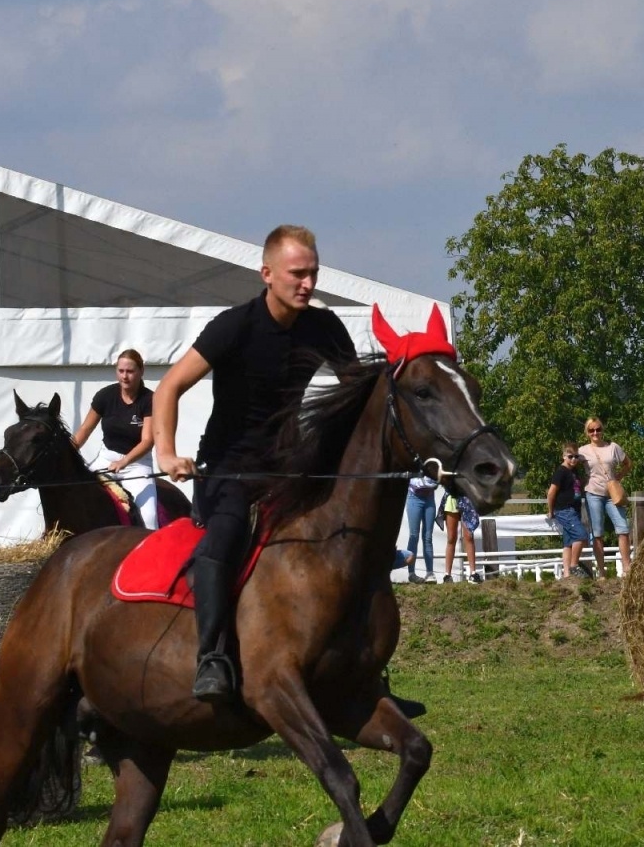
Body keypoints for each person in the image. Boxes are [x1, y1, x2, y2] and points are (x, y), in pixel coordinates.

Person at [154, 225, 356, 701]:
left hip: (291, 470)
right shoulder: (234, 326)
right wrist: (165, 452)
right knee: (224, 535)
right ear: (267, 274)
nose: (308, 284)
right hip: (229, 468)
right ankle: (212, 658)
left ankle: (360, 672)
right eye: (297, 274)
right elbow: (168, 388)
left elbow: (358, 390)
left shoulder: (324, 327)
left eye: (313, 274)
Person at [72, 348, 159, 529]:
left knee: (149, 516)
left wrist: (124, 461)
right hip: (106, 459)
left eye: (130, 371)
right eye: (121, 371)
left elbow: (147, 441)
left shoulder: (150, 399)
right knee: (78, 495)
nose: (124, 376)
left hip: (137, 464)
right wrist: (67, 451)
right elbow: (86, 429)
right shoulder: (105, 395)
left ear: (141, 371)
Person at [579, 417, 632, 576]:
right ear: (587, 433)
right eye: (591, 430)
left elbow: (628, 464)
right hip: (593, 493)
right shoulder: (582, 451)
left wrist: (617, 478)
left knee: (623, 528)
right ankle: (601, 572)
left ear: (602, 430)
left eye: (598, 429)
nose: (595, 433)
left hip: (613, 495)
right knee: (598, 533)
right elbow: (570, 465)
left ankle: (627, 568)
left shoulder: (613, 447)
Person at [547, 443, 592, 579]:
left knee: (568, 543)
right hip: (565, 509)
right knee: (581, 536)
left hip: (574, 509)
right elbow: (551, 493)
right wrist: (551, 510)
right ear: (564, 456)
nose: (573, 459)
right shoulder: (561, 471)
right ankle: (573, 566)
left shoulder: (574, 472)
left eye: (576, 457)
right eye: (570, 456)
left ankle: (566, 574)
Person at [438, 481, 482, 583]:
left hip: (468, 500)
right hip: (452, 498)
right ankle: (447, 575)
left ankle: (473, 573)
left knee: (469, 536)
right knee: (451, 538)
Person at [404, 473, 439, 583]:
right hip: (414, 497)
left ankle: (430, 572)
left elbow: (437, 479)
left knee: (428, 537)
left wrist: (435, 482)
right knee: (414, 535)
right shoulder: (415, 459)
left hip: (429, 498)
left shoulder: (432, 461)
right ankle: (411, 573)